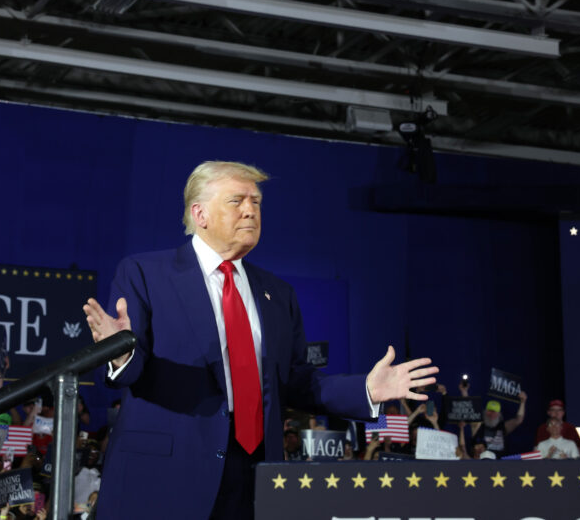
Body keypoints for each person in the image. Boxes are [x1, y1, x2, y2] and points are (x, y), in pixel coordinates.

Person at [83, 161, 438, 519]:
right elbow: (127, 372)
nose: (251, 210)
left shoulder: (277, 294)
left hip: (255, 477)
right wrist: (118, 354)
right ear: (200, 213)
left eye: (256, 202)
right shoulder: (145, 273)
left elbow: (297, 382)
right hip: (167, 477)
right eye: (236, 200)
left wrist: (366, 390)